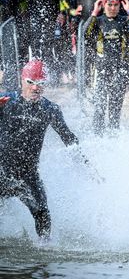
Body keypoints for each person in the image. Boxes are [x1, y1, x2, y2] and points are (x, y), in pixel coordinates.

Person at [0, 60, 100, 240]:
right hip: (1, 171)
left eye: (41, 84)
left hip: (27, 175)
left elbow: (69, 138)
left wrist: (85, 165)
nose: (35, 88)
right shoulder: (6, 102)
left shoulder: (50, 109)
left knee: (43, 213)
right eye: (31, 82)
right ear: (22, 80)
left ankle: (43, 253)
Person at [84, 0, 129, 135]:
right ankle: (97, 138)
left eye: (116, 5)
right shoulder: (98, 21)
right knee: (99, 108)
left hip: (119, 70)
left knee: (115, 110)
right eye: (109, 4)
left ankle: (113, 139)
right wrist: (94, 13)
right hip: (101, 69)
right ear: (104, 4)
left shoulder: (123, 20)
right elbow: (84, 34)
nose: (112, 8)